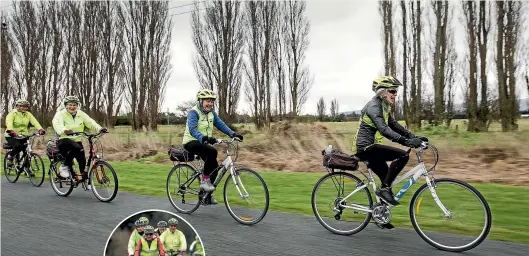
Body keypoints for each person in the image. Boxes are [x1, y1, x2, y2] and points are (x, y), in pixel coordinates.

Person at [351, 76, 428, 226]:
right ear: (382, 92)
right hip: (364, 148)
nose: (395, 94)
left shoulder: (384, 107)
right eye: (392, 91)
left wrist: (414, 137)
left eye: (396, 91)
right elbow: (384, 130)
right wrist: (406, 142)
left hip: (372, 148)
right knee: (402, 156)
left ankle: (380, 214)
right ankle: (384, 190)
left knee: (388, 178)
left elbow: (395, 125)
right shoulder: (374, 106)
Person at [182, 89, 243, 205]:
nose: (210, 103)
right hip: (191, 142)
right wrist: (203, 138)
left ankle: (205, 196)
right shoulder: (193, 113)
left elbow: (220, 124)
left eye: (211, 101)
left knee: (214, 168)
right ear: (200, 101)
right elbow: (193, 129)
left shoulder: (211, 113)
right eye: (207, 101)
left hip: (203, 143)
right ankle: (204, 181)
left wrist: (233, 134)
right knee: (212, 151)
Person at [51, 95, 108, 181]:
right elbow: (57, 124)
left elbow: (90, 122)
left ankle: (85, 180)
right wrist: (65, 130)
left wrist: (100, 128)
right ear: (66, 105)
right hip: (64, 139)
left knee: (82, 160)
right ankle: (64, 166)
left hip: (77, 140)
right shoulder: (60, 114)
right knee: (77, 148)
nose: (72, 107)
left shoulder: (81, 114)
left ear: (77, 105)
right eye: (70, 105)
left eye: (74, 105)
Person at [4, 100, 46, 172]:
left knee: (26, 151)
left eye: (25, 106)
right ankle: (10, 157)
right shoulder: (12, 114)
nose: (23, 108)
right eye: (21, 106)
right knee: (17, 146)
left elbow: (35, 122)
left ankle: (27, 168)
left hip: (23, 135)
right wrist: (11, 131)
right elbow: (9, 123)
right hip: (11, 135)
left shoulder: (28, 114)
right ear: (17, 106)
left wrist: (40, 129)